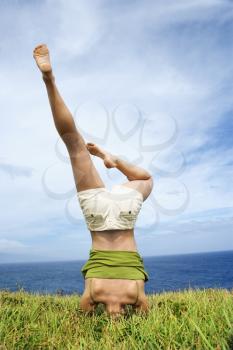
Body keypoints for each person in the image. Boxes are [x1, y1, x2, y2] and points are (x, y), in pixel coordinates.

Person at [33, 44, 154, 319]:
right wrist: (90, 308)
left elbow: (145, 314)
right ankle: (49, 82)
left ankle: (114, 159)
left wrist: (137, 310)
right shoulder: (94, 293)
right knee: (74, 144)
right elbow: (84, 312)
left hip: (125, 214)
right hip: (97, 214)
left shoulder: (136, 294)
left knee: (146, 179)